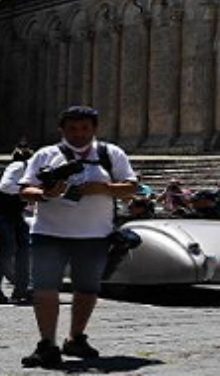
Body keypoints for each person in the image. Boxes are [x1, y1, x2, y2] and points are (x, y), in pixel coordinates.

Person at [18, 106, 138, 368]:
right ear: (62, 130)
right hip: (49, 233)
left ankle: (76, 337)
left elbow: (131, 187)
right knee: (44, 289)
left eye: (84, 128)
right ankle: (47, 344)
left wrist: (103, 188)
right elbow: (25, 190)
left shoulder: (110, 153)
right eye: (72, 129)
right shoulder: (45, 155)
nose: (78, 134)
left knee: (87, 289)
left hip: (95, 234)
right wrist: (46, 195)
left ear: (94, 129)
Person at [0, 151, 33, 305]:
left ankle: (21, 290)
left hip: (14, 215)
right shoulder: (18, 166)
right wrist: (27, 190)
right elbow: (5, 186)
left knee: (24, 249)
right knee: (7, 248)